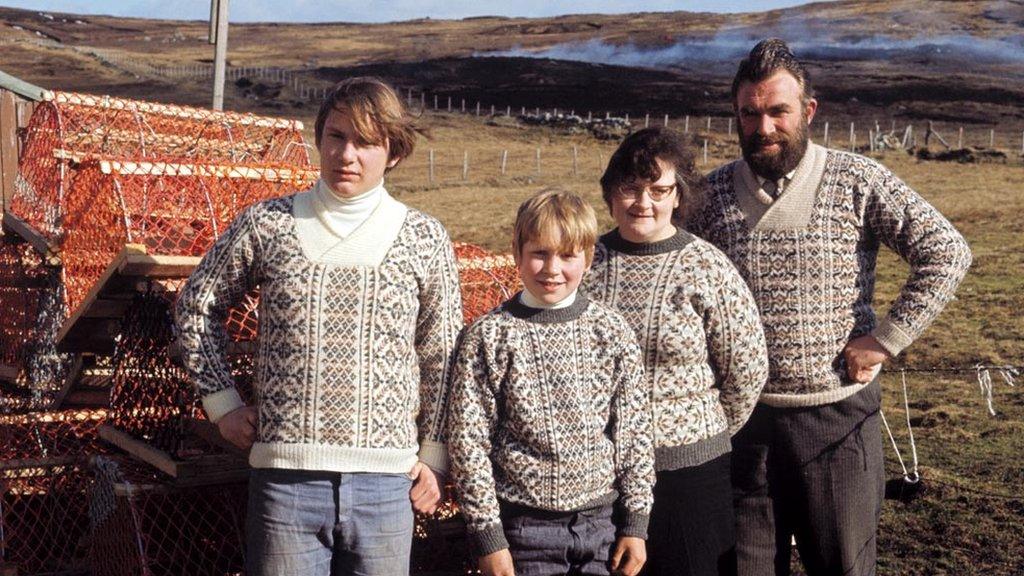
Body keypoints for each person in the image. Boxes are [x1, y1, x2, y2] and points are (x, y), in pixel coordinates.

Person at [690, 39, 972, 576]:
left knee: (842, 564)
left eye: (778, 111)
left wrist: (885, 340)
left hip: (837, 418)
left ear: (809, 111)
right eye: (749, 114)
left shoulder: (857, 181)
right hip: (740, 425)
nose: (764, 127)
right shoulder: (710, 195)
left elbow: (947, 251)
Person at [174, 77, 463, 576]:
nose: (347, 154)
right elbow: (196, 306)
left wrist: (434, 455)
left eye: (366, 142)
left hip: (387, 487)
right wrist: (222, 403)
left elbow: (444, 353)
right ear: (320, 139)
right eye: (336, 136)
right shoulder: (267, 224)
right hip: (285, 487)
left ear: (393, 152)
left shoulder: (425, 238)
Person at [583, 127, 768, 576]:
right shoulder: (585, 261)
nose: (643, 202)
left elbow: (746, 368)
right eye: (630, 188)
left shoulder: (706, 265)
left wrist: (694, 432)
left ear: (678, 196)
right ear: (611, 193)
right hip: (600, 473)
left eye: (658, 190)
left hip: (689, 474)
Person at [447, 189, 654, 576]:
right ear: (518, 254)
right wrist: (488, 537)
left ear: (588, 258)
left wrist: (636, 522)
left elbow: (634, 435)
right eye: (540, 253)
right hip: (523, 531)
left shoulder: (610, 331)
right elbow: (468, 445)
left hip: (601, 527)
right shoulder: (488, 336)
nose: (552, 269)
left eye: (567, 255)